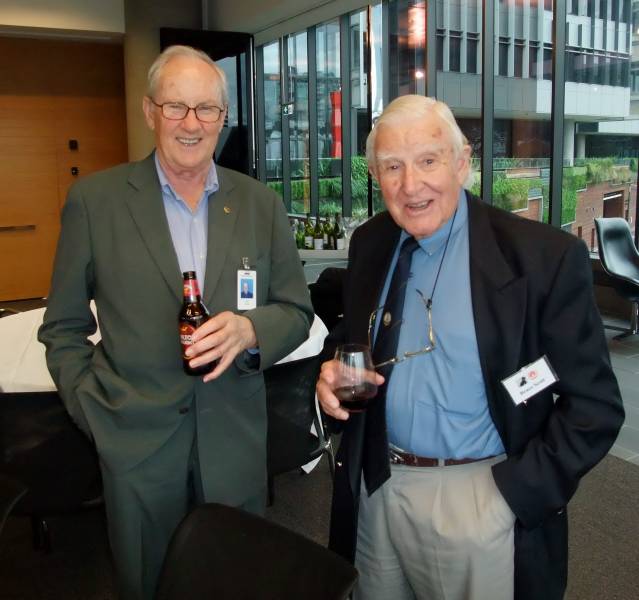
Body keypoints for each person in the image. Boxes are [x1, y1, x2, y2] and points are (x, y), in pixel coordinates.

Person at [316, 95, 624, 600]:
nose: (410, 185)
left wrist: (512, 495)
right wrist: (332, 371)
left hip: (478, 497)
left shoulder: (540, 258)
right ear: (375, 175)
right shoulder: (371, 242)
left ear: (462, 163)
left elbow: (595, 407)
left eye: (428, 160)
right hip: (377, 485)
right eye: (392, 166)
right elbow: (352, 336)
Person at [39, 45, 313, 600]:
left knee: (234, 583)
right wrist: (96, 414)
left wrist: (251, 330)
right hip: (135, 447)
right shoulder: (95, 202)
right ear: (150, 111)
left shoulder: (260, 204)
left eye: (206, 108)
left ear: (223, 117)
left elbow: (296, 310)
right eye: (175, 106)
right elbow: (63, 328)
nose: (191, 124)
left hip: (234, 445)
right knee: (147, 584)